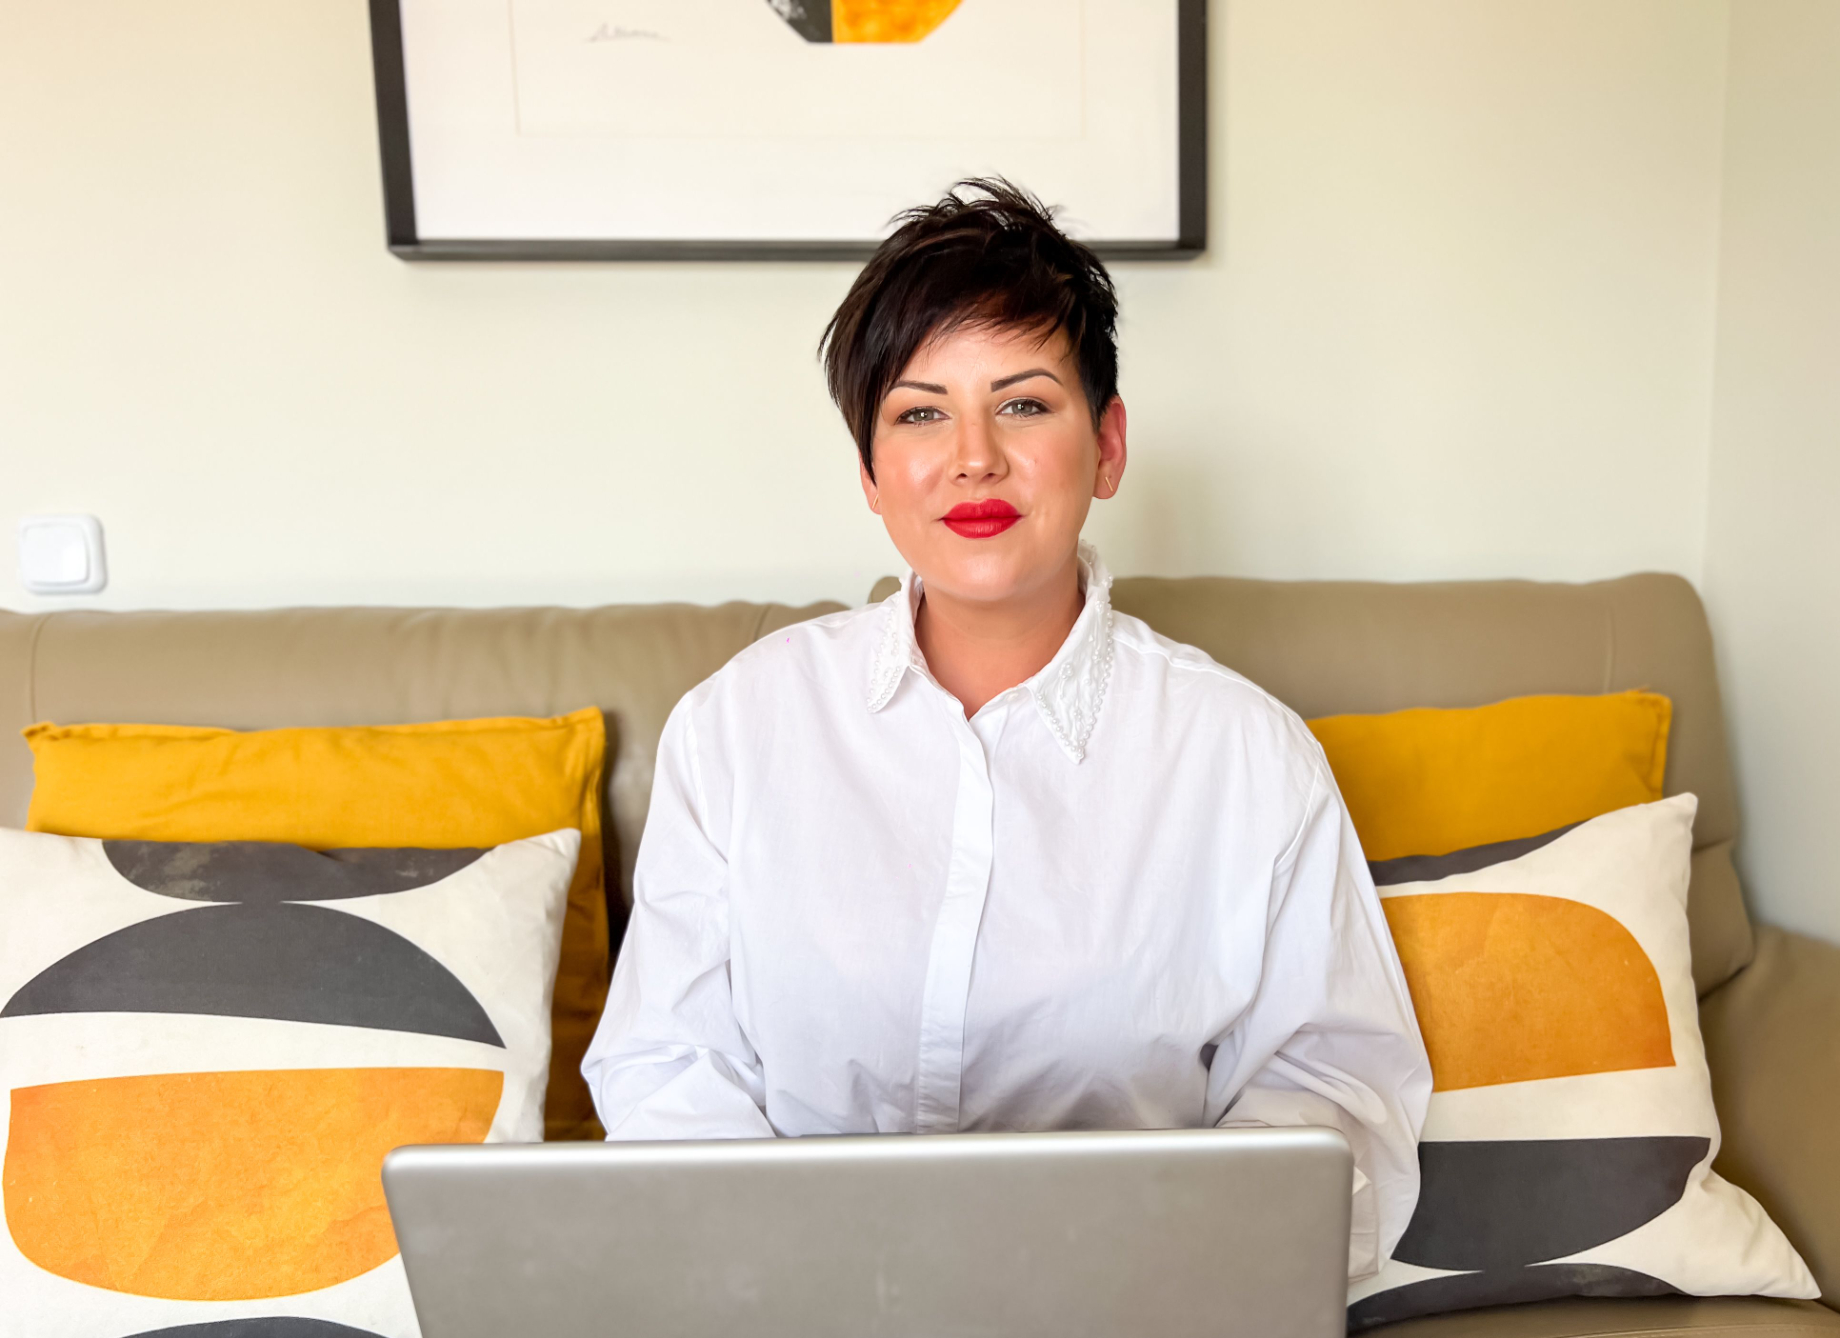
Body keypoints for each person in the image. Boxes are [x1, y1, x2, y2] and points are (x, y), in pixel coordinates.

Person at [582, 179, 1431, 1279]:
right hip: (796, 1306)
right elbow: (666, 1065)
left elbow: (1335, 1093)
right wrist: (792, 1275)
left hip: (1133, 1307)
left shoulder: (1246, 757)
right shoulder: (738, 728)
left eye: (1023, 405)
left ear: (1108, 445)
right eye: (920, 413)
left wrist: (1166, 1257)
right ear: (871, 473)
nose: (973, 455)